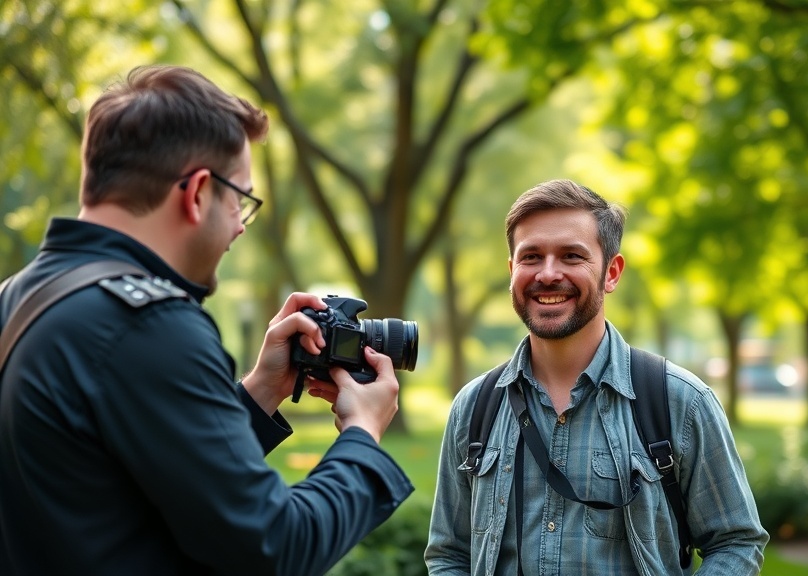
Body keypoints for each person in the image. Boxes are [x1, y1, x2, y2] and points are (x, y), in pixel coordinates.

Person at [0, 65, 413, 575]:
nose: (240, 226)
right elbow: (274, 547)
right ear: (197, 191)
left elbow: (138, 483)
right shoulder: (149, 326)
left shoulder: (19, 300)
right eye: (240, 200)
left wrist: (262, 390)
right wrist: (362, 431)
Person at [425, 179, 767, 575]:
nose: (547, 274)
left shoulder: (681, 401)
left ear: (611, 272)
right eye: (531, 257)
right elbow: (449, 555)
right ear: (512, 270)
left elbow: (736, 542)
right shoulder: (473, 407)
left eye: (571, 256)